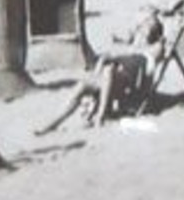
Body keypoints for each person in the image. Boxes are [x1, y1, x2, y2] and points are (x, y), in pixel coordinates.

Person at [35, 11, 166, 134]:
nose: (142, 29)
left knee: (108, 70)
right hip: (113, 76)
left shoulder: (154, 48)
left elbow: (156, 55)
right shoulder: (136, 43)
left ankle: (100, 116)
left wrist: (149, 39)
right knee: (83, 84)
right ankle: (52, 124)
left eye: (146, 26)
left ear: (154, 31)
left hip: (128, 83)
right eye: (143, 26)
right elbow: (126, 41)